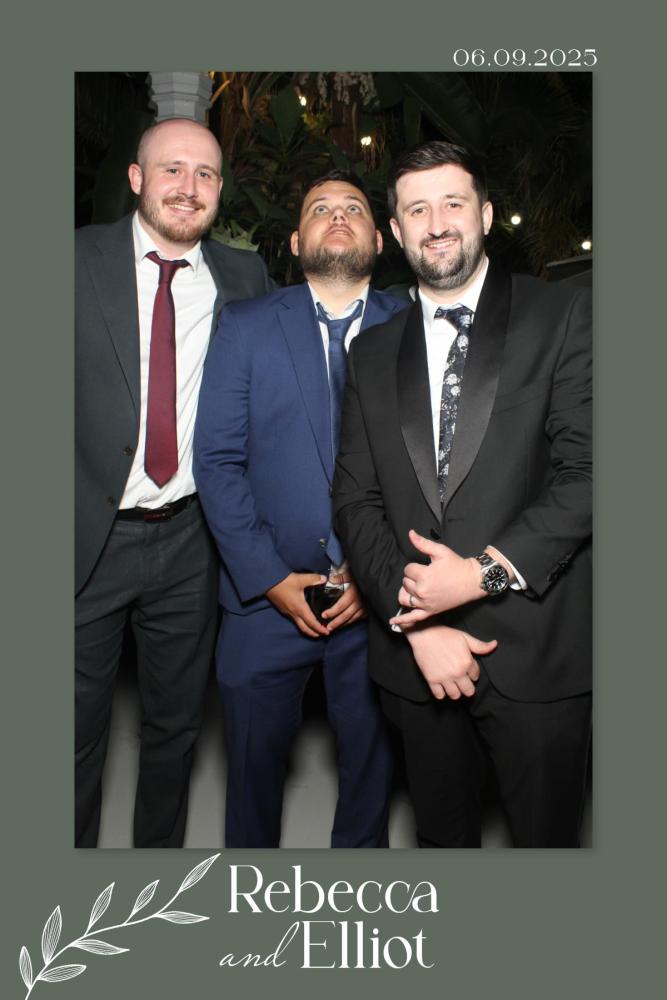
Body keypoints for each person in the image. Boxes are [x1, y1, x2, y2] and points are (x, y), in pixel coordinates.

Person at [333, 142, 592, 848]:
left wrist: (480, 576)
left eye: (453, 203)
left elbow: (589, 473)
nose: (437, 223)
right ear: (394, 231)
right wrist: (418, 623)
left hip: (538, 654)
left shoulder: (563, 314)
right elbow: (355, 500)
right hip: (416, 663)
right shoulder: (370, 352)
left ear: (485, 214)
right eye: (417, 209)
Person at [75, 118, 274, 847]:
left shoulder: (245, 278)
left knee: (174, 730)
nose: (188, 188)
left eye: (206, 174)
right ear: (136, 178)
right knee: (70, 735)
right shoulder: (71, 260)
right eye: (172, 169)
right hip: (83, 535)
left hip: (192, 540)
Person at [194, 171, 405, 847]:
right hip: (264, 599)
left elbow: (433, 469)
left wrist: (377, 574)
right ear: (294, 241)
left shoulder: (414, 327)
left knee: (372, 775)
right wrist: (267, 577)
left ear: (380, 238)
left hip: (380, 600)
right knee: (251, 779)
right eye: (320, 208)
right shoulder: (246, 326)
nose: (337, 216)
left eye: (353, 209)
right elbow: (217, 461)